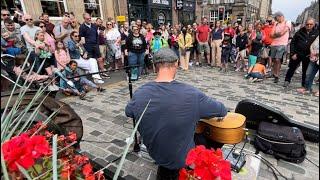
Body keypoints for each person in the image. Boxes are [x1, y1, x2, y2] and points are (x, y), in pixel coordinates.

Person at [125, 47, 227, 180]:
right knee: (209, 135)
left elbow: (128, 111)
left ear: (155, 67)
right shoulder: (192, 94)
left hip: (155, 153)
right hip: (180, 160)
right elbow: (222, 110)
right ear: (176, 64)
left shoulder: (140, 93)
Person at [284, 18, 318, 88]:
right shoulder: (300, 31)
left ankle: (303, 84)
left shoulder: (316, 32)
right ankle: (287, 80)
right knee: (292, 68)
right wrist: (292, 53)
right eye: (307, 24)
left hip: (308, 55)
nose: (309, 26)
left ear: (314, 24)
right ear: (305, 24)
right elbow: (293, 42)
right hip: (297, 53)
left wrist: (314, 53)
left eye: (311, 24)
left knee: (305, 71)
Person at [269, 11, 291, 83]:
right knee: (273, 60)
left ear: (280, 16)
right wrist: (276, 34)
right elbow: (271, 35)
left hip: (282, 44)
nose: (275, 19)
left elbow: (282, 33)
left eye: (276, 17)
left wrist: (276, 34)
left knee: (278, 59)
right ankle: (273, 73)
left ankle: (277, 75)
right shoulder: (276, 23)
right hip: (274, 44)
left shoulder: (287, 22)